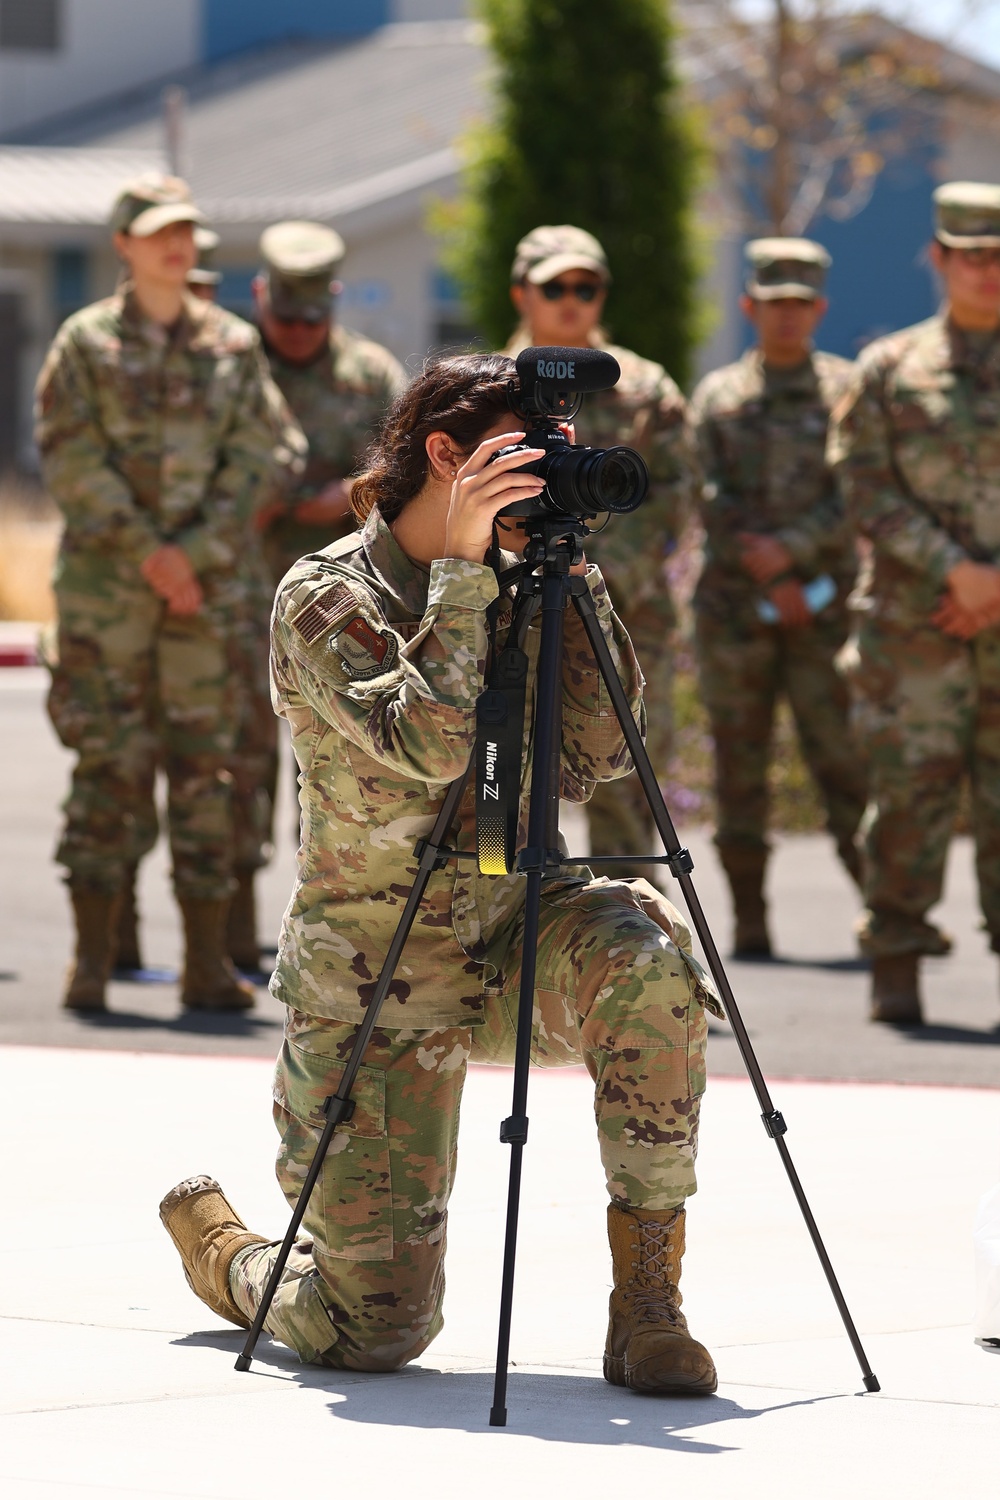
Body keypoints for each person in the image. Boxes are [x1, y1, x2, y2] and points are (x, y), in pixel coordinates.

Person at [160, 354, 722, 1395]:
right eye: (517, 463)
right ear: (444, 455)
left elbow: (593, 756)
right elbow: (422, 743)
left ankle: (647, 1303)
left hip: (513, 929)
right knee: (369, 1334)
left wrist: (572, 580)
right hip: (377, 977)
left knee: (645, 965)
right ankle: (235, 1258)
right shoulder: (327, 594)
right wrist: (467, 576)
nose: (536, 486)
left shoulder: (525, 580)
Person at [36, 173, 304, 1013]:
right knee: (108, 768)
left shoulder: (231, 345)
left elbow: (268, 453)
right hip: (109, 600)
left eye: (185, 229)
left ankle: (202, 965)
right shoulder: (83, 343)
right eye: (157, 231)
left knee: (207, 775)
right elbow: (68, 455)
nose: (175, 243)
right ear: (123, 245)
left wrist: (193, 551)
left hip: (203, 599)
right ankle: (92, 961)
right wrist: (152, 552)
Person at [829, 182, 1000, 1023]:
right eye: (971, 255)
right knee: (908, 795)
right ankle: (896, 962)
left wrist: (994, 584)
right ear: (939, 258)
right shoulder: (890, 369)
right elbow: (863, 486)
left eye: (999, 255)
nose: (987, 271)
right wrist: (952, 571)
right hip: (915, 627)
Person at [688, 239, 867, 957]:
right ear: (749, 307)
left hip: (826, 615)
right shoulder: (720, 397)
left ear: (819, 309)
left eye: (800, 304)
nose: (786, 316)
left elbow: (857, 489)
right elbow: (708, 495)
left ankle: (884, 913)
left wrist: (791, 556)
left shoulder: (849, 392)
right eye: (773, 304)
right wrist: (768, 569)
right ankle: (750, 921)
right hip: (734, 613)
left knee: (845, 762)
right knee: (740, 769)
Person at [505, 225, 695, 880]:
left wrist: (599, 576)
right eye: (554, 286)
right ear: (520, 293)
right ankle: (514, 923)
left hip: (629, 613)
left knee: (622, 769)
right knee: (511, 775)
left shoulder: (644, 388)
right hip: (512, 608)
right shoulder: (490, 385)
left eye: (585, 287)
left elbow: (674, 492)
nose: (570, 300)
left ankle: (623, 925)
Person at [252, 220, 408, 588]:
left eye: (313, 318)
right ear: (260, 293)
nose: (299, 332)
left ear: (334, 298)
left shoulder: (372, 372)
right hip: (243, 582)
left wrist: (353, 491)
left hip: (344, 584)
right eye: (286, 318)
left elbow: (409, 463)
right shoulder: (230, 367)